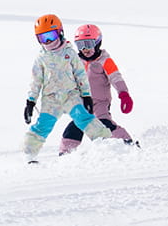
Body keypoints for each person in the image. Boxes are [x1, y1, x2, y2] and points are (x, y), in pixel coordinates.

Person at [22, 14, 108, 163]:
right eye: (43, 38)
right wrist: (31, 101)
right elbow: (36, 81)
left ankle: (105, 143)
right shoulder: (41, 58)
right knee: (43, 125)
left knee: (84, 118)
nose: (48, 41)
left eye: (50, 35)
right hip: (51, 99)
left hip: (71, 95)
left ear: (60, 32)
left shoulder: (70, 53)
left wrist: (86, 95)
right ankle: (29, 154)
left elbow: (80, 75)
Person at [59, 24, 137, 154]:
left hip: (100, 103)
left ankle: (128, 144)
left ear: (97, 42)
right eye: (80, 45)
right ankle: (66, 153)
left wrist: (124, 95)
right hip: (82, 104)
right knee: (75, 126)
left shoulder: (105, 61)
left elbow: (116, 78)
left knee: (103, 124)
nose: (85, 49)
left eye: (88, 44)